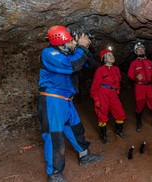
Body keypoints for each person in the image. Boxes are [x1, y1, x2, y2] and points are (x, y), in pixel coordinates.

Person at [37, 25, 103, 182]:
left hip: (67, 100)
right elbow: (71, 66)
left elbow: (89, 64)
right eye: (71, 40)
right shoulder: (49, 53)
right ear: (61, 42)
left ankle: (84, 156)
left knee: (75, 128)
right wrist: (80, 47)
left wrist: (87, 48)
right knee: (55, 136)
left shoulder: (70, 54)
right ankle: (54, 174)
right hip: (52, 100)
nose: (74, 42)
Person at [90, 48, 126, 144]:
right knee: (102, 114)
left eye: (112, 55)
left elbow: (118, 81)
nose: (112, 56)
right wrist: (96, 99)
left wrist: (117, 89)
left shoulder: (116, 69)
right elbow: (94, 86)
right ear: (104, 59)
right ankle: (103, 135)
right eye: (109, 55)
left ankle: (119, 131)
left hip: (113, 94)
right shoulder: (100, 70)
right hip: (103, 93)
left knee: (120, 113)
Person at [128, 42, 152, 132]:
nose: (141, 50)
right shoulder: (134, 63)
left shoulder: (149, 62)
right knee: (139, 105)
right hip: (139, 87)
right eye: (138, 50)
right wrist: (135, 77)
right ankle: (139, 123)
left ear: (144, 50)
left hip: (149, 86)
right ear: (136, 52)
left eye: (142, 49)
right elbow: (129, 75)